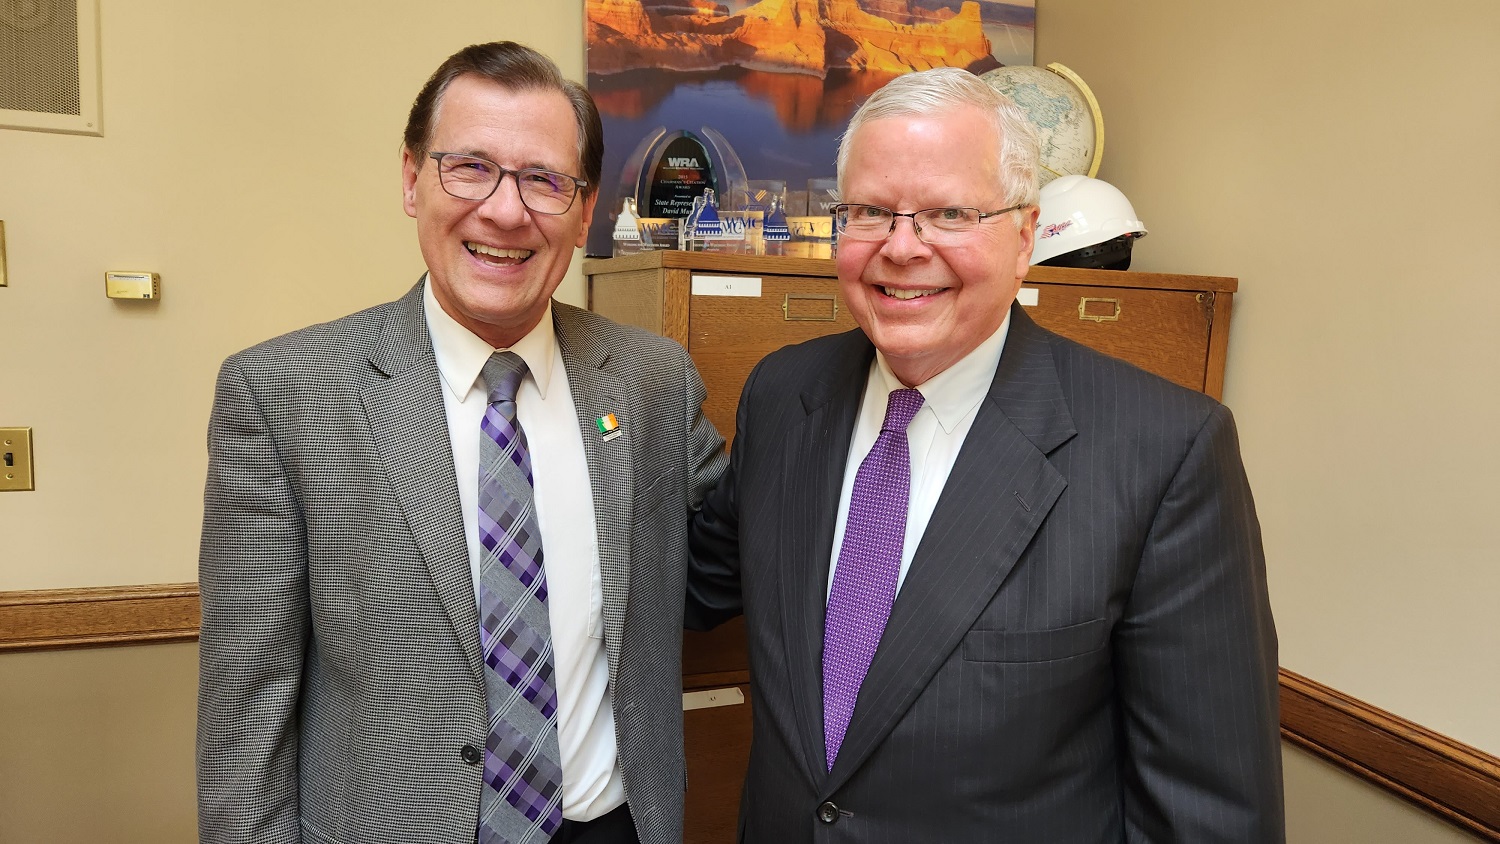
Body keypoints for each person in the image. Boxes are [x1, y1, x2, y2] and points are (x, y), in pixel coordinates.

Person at [686, 67, 1284, 841]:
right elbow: (694, 578)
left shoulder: (1164, 453)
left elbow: (1212, 813)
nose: (903, 249)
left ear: (1025, 235)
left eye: (949, 213)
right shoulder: (783, 396)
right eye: (870, 211)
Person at [198, 41, 726, 844]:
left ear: (584, 214)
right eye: (469, 167)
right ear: (411, 180)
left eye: (545, 181)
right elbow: (247, 709)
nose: (506, 212)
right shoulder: (285, 395)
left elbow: (751, 542)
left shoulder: (653, 381)